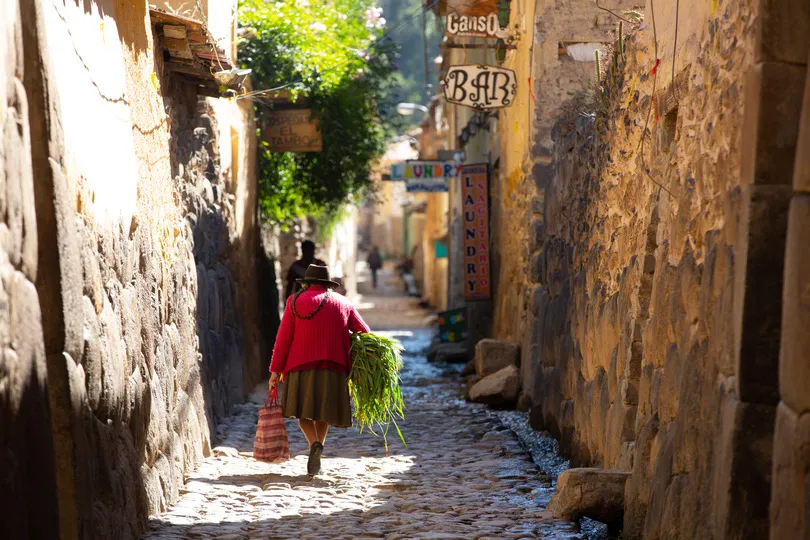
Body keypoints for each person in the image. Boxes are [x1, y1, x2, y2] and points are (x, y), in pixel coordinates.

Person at [269, 264, 370, 476]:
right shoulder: (343, 303)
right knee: (323, 412)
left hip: (299, 366)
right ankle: (318, 448)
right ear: (328, 284)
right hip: (334, 367)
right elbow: (365, 333)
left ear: (306, 283)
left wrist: (275, 371)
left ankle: (314, 443)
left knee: (303, 412)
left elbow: (283, 338)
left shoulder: (294, 301)